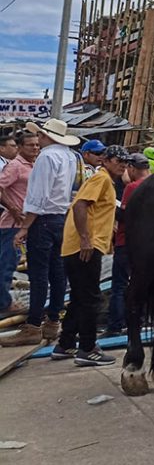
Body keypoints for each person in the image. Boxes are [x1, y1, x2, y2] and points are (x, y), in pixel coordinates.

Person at [0, 120, 79, 347]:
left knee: (39, 276)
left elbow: (38, 197)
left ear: (45, 136)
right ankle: (52, 322)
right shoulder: (70, 156)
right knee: (57, 274)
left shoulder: (46, 157)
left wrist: (24, 227)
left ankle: (33, 325)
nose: (37, 144)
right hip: (60, 218)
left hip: (43, 221)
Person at [51, 145, 129, 365]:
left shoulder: (106, 181)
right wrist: (86, 239)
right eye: (117, 160)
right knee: (90, 298)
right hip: (84, 246)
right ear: (105, 160)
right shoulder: (101, 179)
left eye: (125, 162)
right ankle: (87, 348)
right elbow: (80, 206)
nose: (122, 164)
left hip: (80, 246)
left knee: (79, 296)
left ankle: (65, 344)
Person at [104, 154, 151, 339]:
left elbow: (124, 215)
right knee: (142, 284)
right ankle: (140, 320)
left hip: (127, 242)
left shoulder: (132, 187)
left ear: (131, 168)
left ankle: (116, 325)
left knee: (120, 286)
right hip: (147, 244)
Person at [0, 131, 39, 319]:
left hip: (29, 223)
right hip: (13, 224)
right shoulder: (15, 166)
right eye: (30, 145)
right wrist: (13, 208)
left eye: (37, 145)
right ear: (21, 147)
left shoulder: (35, 165)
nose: (35, 148)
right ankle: (4, 304)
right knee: (7, 264)